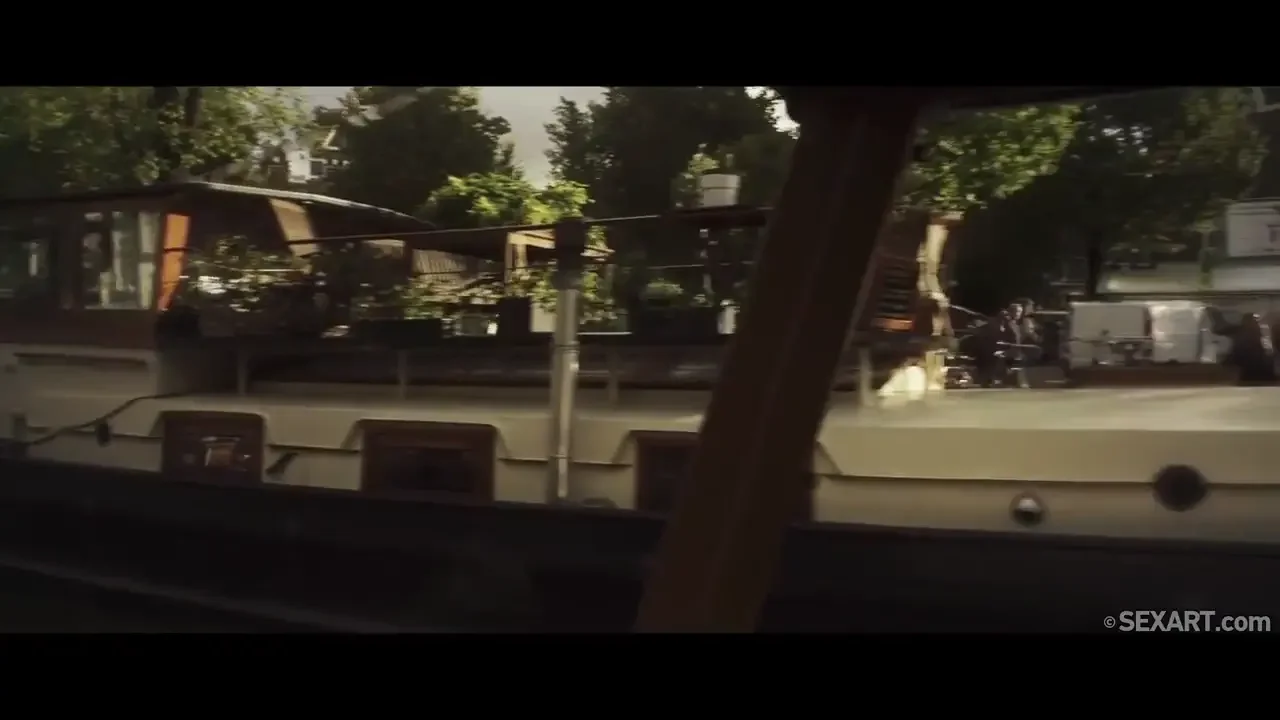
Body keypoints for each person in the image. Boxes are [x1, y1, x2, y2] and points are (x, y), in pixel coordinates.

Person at [1230, 313, 1277, 385]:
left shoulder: (1262, 338)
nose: (1258, 325)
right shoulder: (1245, 339)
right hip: (1254, 376)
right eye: (1256, 322)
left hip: (1259, 376)